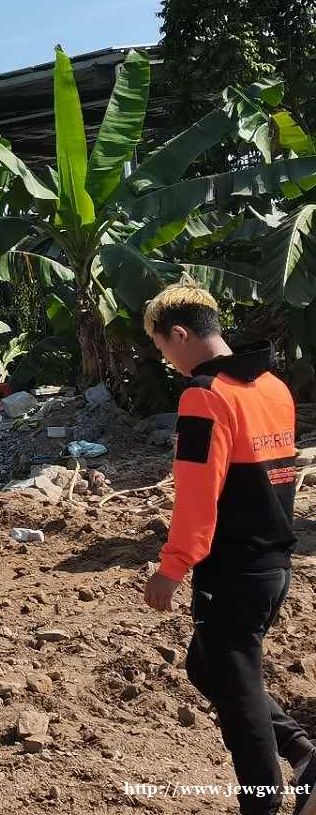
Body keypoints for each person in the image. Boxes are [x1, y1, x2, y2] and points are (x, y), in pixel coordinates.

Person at [142, 283, 315, 815]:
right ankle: (303, 751)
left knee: (241, 709)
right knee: (207, 664)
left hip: (234, 571)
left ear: (181, 334)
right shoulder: (272, 387)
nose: (167, 360)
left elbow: (199, 496)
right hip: (272, 565)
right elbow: (281, 478)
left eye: (163, 349)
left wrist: (172, 568)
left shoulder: (205, 396)